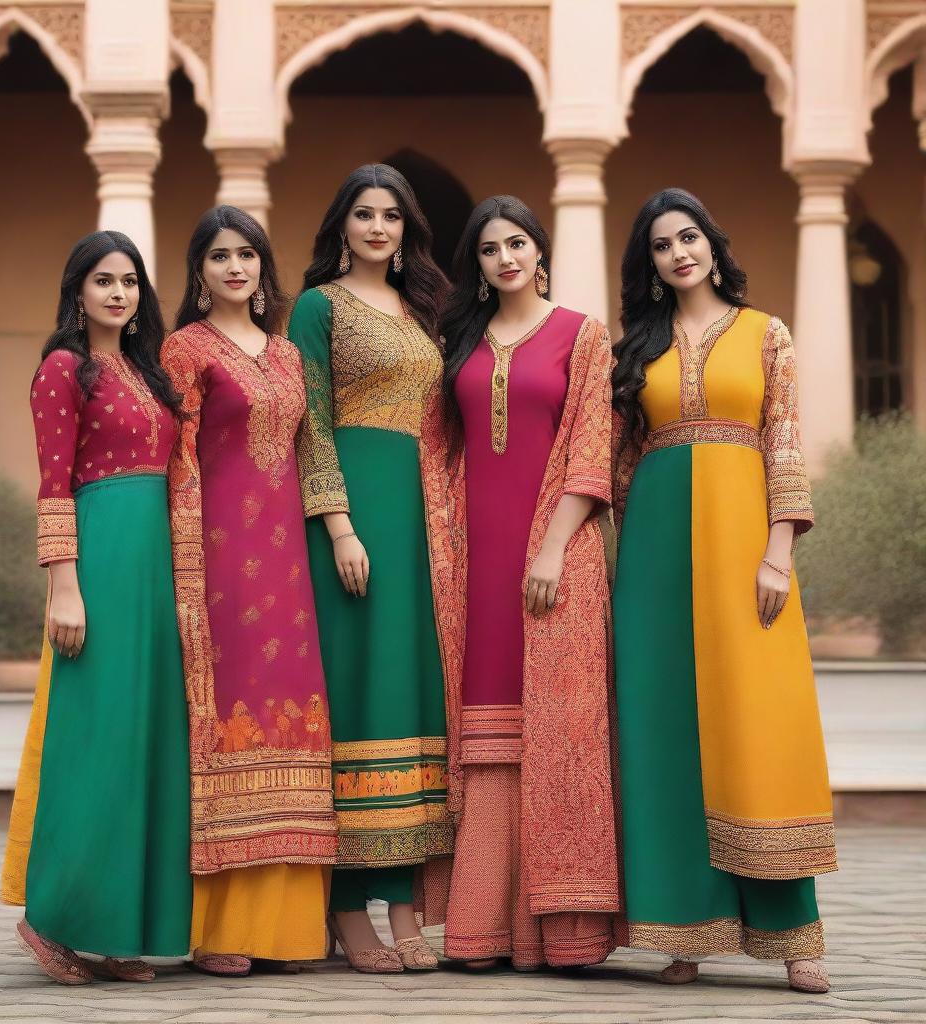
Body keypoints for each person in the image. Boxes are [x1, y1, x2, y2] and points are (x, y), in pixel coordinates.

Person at [612, 187, 835, 994]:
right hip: (654, 560)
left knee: (757, 728)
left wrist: (779, 552)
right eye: (661, 246)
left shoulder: (764, 333)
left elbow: (784, 440)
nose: (678, 253)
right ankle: (682, 929)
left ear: (712, 242)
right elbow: (622, 467)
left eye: (689, 236)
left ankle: (793, 934)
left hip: (745, 547)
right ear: (650, 266)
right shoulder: (635, 350)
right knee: (668, 735)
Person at [0, 231, 191, 983]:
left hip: (154, 563)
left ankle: (115, 933)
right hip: (102, 563)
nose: (118, 293)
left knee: (144, 748)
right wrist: (64, 584)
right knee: (94, 746)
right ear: (77, 290)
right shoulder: (62, 371)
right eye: (103, 280)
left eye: (130, 282)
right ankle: (53, 920)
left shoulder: (148, 371)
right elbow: (53, 483)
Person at [437, 196, 619, 971]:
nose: (504, 258)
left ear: (541, 252)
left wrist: (548, 550)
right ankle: (479, 926)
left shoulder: (583, 334)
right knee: (486, 733)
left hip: (556, 557)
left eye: (517, 244)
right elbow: (438, 451)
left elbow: (590, 445)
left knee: (561, 731)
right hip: (473, 561)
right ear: (475, 266)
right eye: (488, 249)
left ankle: (563, 934)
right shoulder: (461, 341)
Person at [289, 164, 456, 972]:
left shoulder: (425, 311)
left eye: (392, 215)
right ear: (342, 224)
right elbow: (308, 420)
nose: (379, 227)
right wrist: (340, 525)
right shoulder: (317, 306)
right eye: (364, 213)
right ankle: (349, 906)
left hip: (421, 520)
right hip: (354, 523)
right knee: (358, 699)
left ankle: (404, 904)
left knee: (408, 698)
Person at [162, 205, 337, 975]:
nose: (236, 269)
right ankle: (223, 928)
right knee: (227, 714)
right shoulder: (184, 350)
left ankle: (291, 930)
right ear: (198, 274)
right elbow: (179, 462)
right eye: (220, 257)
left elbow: (306, 452)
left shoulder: (290, 355)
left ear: (265, 270)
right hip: (221, 557)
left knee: (290, 712)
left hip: (288, 564)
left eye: (248, 256)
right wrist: (185, 560)